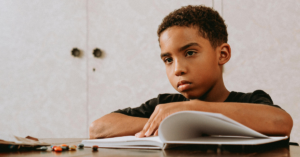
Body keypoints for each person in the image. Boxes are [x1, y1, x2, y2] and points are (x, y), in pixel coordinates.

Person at [89, 5, 293, 139]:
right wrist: (176, 124)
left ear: (222, 54)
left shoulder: (251, 101)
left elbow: (281, 122)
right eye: (168, 60)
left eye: (190, 52)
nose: (177, 69)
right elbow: (98, 128)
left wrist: (194, 111)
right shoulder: (164, 107)